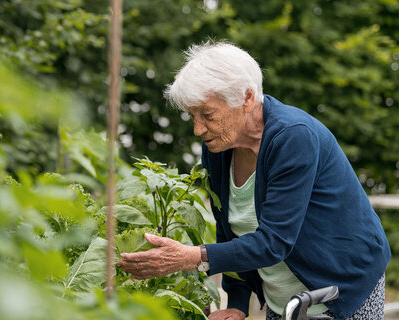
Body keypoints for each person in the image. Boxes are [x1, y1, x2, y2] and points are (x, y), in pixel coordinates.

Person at [117, 42, 391, 320]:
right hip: (284, 300)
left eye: (208, 115)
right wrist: (236, 303)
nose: (198, 129)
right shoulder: (219, 148)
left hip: (341, 288)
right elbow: (229, 231)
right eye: (192, 116)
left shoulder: (293, 137)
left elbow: (274, 242)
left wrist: (191, 256)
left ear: (247, 98)